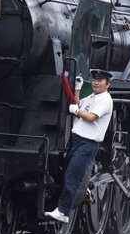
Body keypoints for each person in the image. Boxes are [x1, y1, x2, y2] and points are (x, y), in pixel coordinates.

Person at [45, 69, 114, 223]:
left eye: (100, 80)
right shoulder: (92, 97)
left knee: (72, 177)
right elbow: (77, 106)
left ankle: (63, 212)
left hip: (88, 144)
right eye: (94, 79)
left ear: (107, 84)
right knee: (66, 174)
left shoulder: (105, 100)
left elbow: (90, 117)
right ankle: (58, 207)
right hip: (77, 141)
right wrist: (77, 89)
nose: (96, 82)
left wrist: (76, 110)